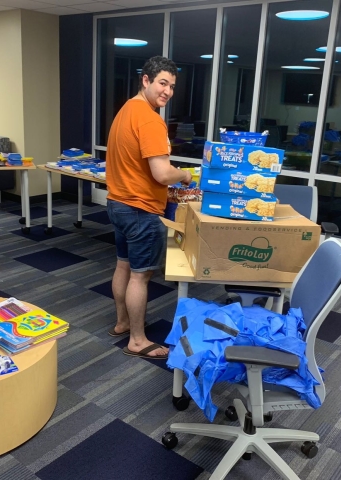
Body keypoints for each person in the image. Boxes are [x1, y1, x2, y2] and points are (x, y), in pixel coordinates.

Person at [105, 56, 192, 360]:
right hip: (140, 209)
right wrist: (184, 174)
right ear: (146, 80)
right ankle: (138, 340)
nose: (167, 91)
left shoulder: (126, 110)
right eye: (162, 83)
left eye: (172, 85)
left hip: (118, 203)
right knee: (140, 276)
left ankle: (122, 323)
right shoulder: (151, 119)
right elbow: (162, 174)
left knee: (123, 266)